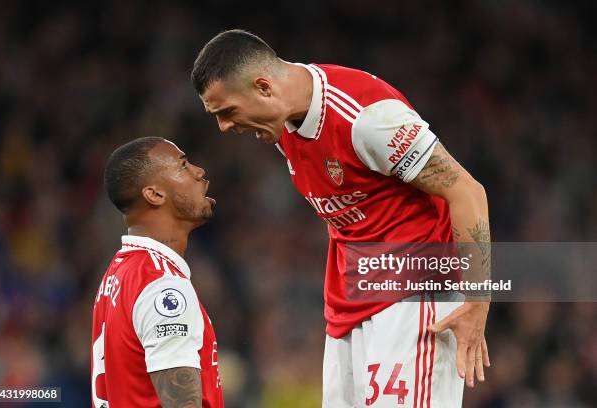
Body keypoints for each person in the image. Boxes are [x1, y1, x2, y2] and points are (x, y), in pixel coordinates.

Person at [191, 30, 491, 407]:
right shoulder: (284, 122)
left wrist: (478, 300)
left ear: (264, 87)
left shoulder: (368, 117)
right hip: (351, 304)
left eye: (227, 112)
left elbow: (467, 191)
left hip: (414, 293)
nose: (224, 127)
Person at [91, 137, 223, 408]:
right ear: (154, 194)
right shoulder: (161, 285)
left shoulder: (119, 274)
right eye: (183, 165)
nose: (199, 172)